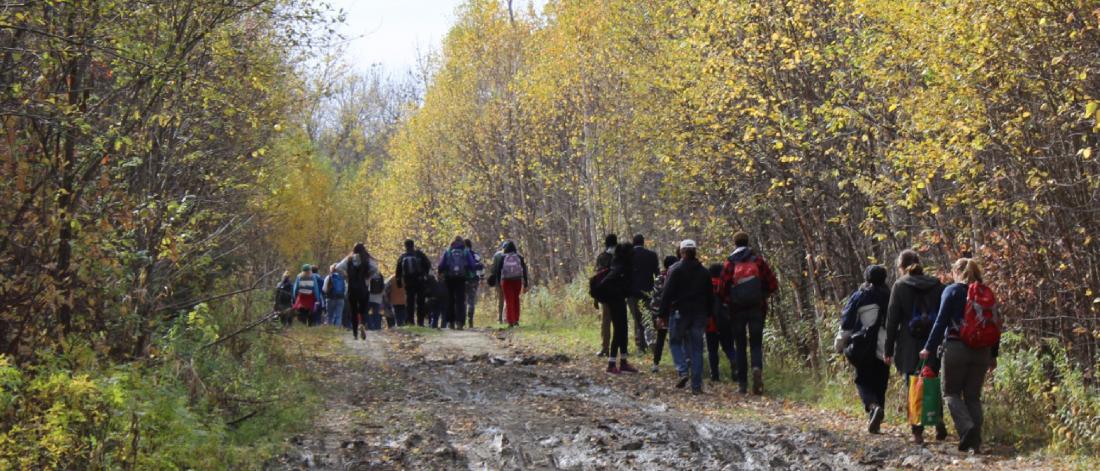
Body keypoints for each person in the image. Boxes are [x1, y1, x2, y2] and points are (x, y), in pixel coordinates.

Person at [921, 258, 999, 452]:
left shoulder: (952, 291)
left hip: (956, 348)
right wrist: (993, 355)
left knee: (950, 393)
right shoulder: (985, 293)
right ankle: (976, 443)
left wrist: (928, 348)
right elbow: (995, 325)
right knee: (973, 396)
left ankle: (967, 428)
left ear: (957, 272)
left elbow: (940, 322)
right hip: (982, 350)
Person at [883, 249, 948, 445]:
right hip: (933, 342)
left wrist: (888, 349)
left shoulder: (899, 286)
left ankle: (917, 431)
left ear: (902, 267)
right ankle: (939, 424)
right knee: (933, 382)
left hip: (909, 344)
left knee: (913, 385)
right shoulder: (937, 285)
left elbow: (892, 320)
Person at [718, 232, 779, 395]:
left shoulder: (730, 263)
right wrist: (761, 294)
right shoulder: (758, 261)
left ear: (735, 243)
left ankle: (742, 385)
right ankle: (757, 369)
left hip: (736, 310)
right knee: (756, 344)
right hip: (756, 308)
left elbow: (721, 289)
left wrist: (729, 300)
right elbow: (773, 284)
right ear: (747, 242)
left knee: (740, 346)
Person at [836, 265, 890, 434]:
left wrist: (839, 344)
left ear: (867, 278)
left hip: (864, 346)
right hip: (886, 345)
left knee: (863, 380)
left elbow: (847, 323)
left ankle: (873, 408)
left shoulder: (860, 296)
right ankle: (877, 416)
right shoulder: (892, 296)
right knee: (881, 382)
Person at [658, 240, 713, 394]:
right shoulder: (704, 272)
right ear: (695, 252)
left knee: (675, 342)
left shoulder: (675, 270)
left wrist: (661, 315)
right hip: (699, 314)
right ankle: (696, 386)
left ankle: (682, 370)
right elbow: (710, 296)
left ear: (681, 252)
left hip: (679, 313)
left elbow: (667, 294)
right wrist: (709, 315)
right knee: (697, 349)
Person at [595, 241, 639, 374]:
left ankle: (624, 362)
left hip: (620, 301)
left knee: (623, 331)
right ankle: (611, 364)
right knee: (619, 332)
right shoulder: (619, 267)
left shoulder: (621, 264)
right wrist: (616, 294)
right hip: (616, 302)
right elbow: (605, 282)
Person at [337, 243, 378, 340]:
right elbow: (375, 268)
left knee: (353, 311)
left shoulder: (349, 259)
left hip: (351, 288)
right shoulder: (366, 259)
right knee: (363, 310)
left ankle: (355, 333)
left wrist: (346, 276)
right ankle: (362, 324)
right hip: (364, 288)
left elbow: (338, 267)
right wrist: (368, 276)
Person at [438, 236, 479, 329]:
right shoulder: (465, 251)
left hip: (449, 278)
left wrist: (441, 273)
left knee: (450, 300)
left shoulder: (448, 251)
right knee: (460, 300)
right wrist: (470, 273)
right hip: (461, 278)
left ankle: (450, 322)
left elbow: (441, 265)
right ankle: (460, 322)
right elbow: (472, 265)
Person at [628, 234, 660, 353]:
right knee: (648, 318)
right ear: (643, 242)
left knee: (637, 319)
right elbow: (657, 274)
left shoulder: (628, 256)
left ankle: (640, 346)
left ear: (633, 242)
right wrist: (657, 291)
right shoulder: (652, 255)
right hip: (647, 292)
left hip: (632, 293)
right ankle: (651, 342)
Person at [706, 263, 737, 383]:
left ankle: (714, 375)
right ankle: (734, 362)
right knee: (729, 346)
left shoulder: (706, 285)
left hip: (711, 322)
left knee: (712, 350)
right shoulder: (726, 285)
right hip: (726, 321)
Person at [649, 255, 679, 372]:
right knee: (677, 339)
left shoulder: (659, 278)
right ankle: (680, 365)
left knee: (660, 338)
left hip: (660, 312)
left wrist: (656, 314)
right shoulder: (677, 277)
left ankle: (655, 364)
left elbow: (656, 297)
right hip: (673, 312)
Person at [490, 240, 529, 327]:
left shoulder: (503, 257)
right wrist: (525, 283)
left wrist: (499, 281)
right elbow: (524, 271)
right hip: (517, 280)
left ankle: (510, 321)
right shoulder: (519, 257)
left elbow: (498, 271)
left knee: (508, 300)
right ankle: (516, 320)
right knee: (516, 299)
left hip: (506, 281)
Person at [396, 239, 432, 326]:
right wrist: (425, 274)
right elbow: (428, 264)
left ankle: (410, 321)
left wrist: (399, 283)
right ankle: (420, 322)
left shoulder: (403, 256)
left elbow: (398, 271)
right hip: (420, 281)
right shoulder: (419, 254)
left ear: (405, 246)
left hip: (408, 282)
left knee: (410, 302)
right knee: (420, 302)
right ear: (413, 245)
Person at [595, 234, 618, 357]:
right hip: (619, 294)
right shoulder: (621, 256)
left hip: (606, 294)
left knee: (606, 322)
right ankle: (621, 346)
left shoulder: (602, 257)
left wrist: (596, 296)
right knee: (619, 322)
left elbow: (597, 277)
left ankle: (605, 348)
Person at [464, 239, 484, 328]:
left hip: (462, 280)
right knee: (471, 300)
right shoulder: (476, 255)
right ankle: (470, 321)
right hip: (474, 280)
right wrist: (482, 278)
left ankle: (461, 320)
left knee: (462, 300)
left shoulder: (462, 255)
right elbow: (481, 267)